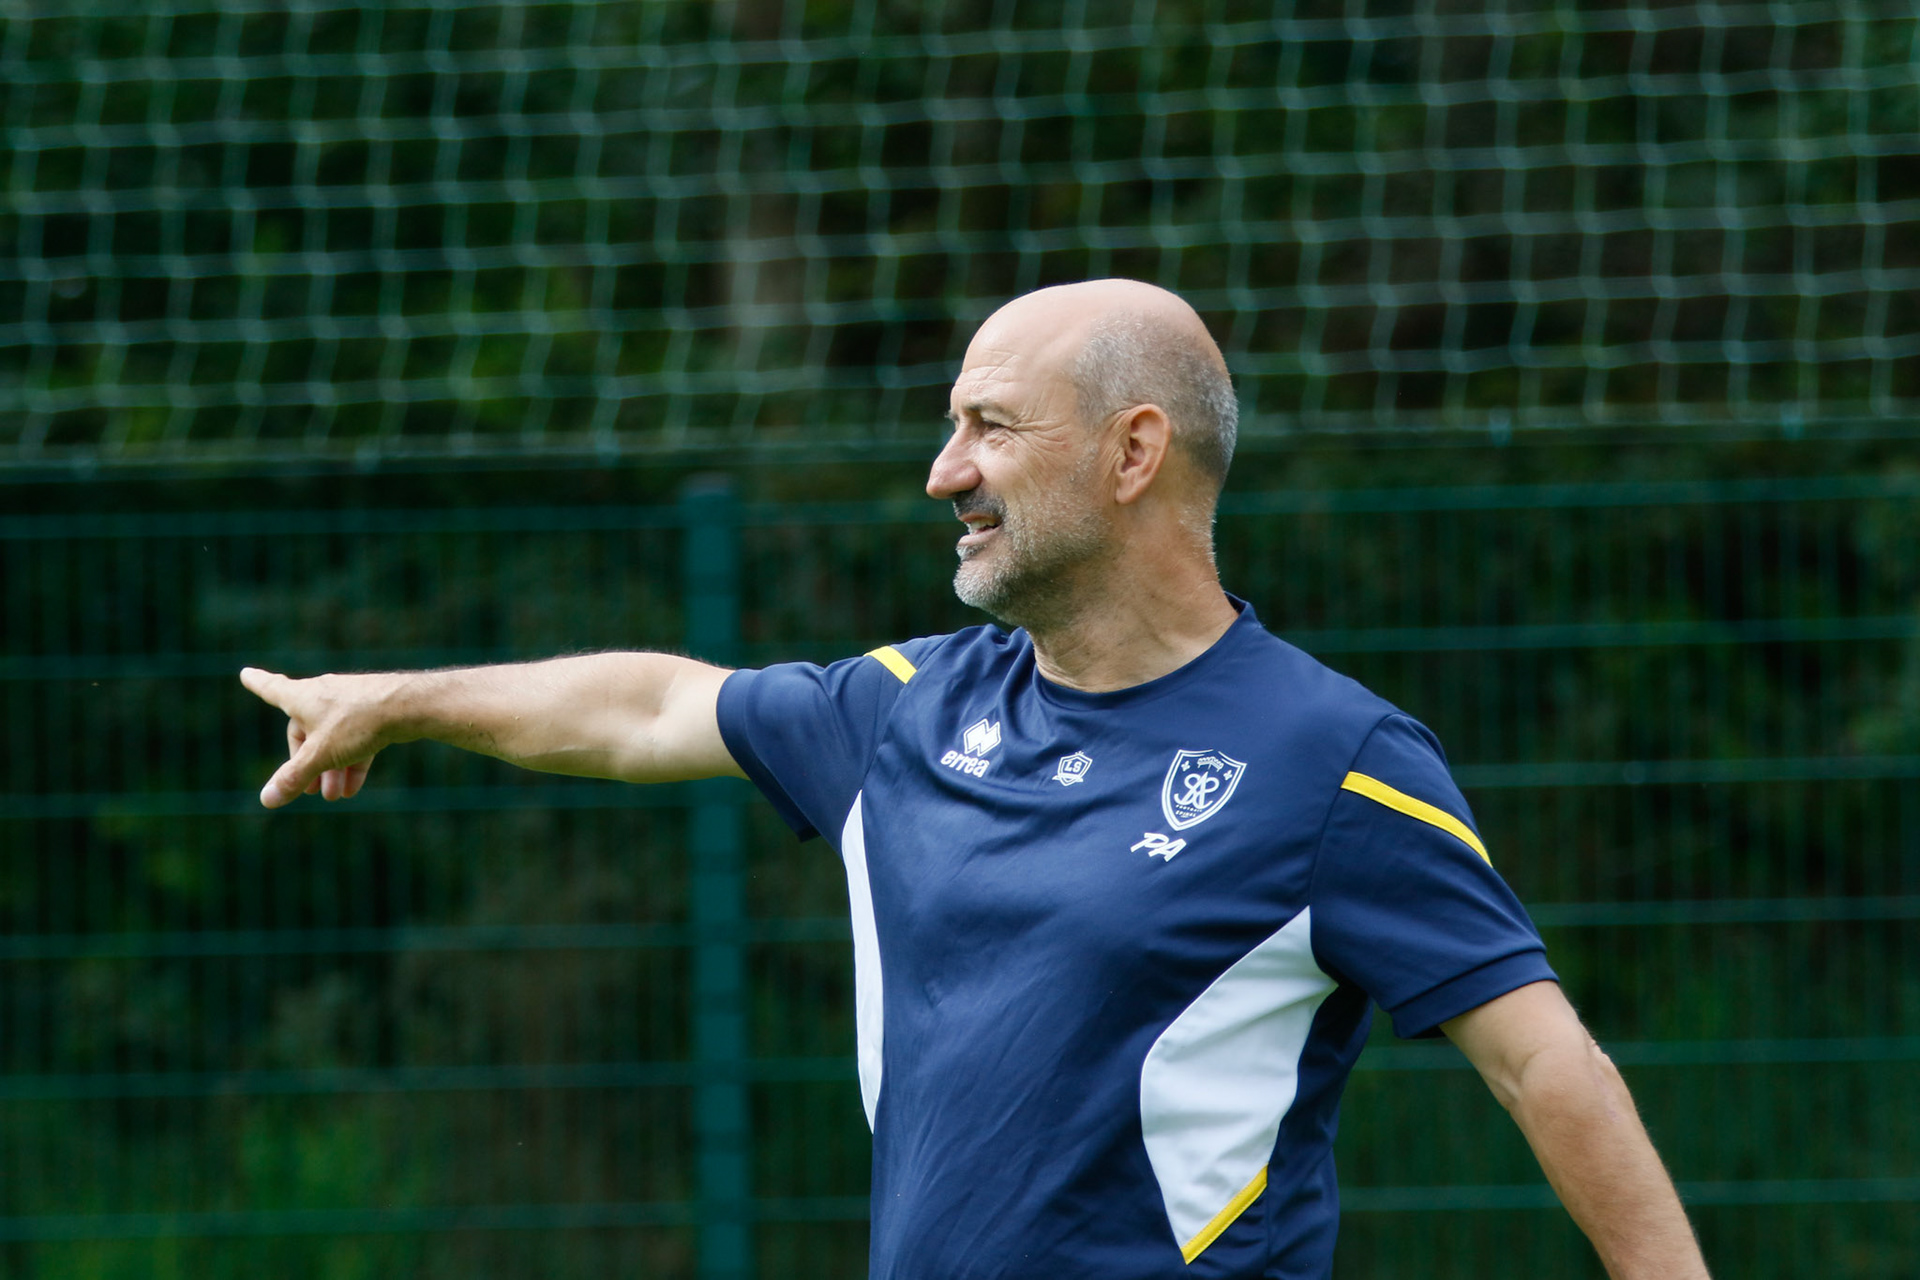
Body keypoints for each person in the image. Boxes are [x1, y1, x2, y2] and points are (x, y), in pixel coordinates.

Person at [242, 280, 1711, 1280]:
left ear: (1134, 453)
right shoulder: (906, 707)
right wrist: (399, 704)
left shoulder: (1333, 763)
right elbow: (648, 707)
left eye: (990, 426)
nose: (945, 471)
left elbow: (1544, 1065)